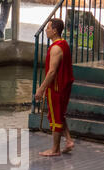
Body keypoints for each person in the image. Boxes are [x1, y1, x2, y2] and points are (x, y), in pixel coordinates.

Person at [35, 18, 75, 156]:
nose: (46, 30)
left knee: (55, 116)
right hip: (64, 85)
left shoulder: (56, 48)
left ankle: (55, 149)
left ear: (54, 30)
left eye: (48, 28)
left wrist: (41, 89)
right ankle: (69, 140)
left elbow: (52, 72)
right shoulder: (63, 44)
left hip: (57, 87)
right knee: (59, 113)